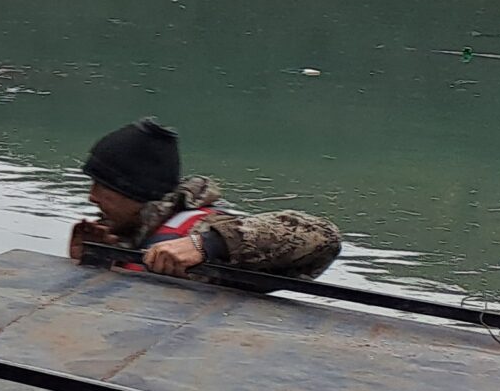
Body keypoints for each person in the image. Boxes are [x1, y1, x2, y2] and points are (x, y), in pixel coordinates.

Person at [72, 118, 343, 278]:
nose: (91, 197)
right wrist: (94, 261)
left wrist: (209, 244)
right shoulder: (124, 233)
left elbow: (323, 237)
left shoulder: (201, 231)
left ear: (137, 193)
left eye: (103, 187)